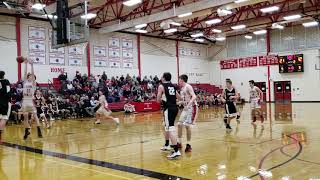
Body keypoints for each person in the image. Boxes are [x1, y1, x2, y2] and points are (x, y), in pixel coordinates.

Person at [157, 72, 181, 159]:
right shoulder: (173, 86)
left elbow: (158, 100)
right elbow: (179, 98)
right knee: (165, 126)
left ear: (163, 78)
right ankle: (167, 144)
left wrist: (162, 98)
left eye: (161, 76)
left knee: (170, 128)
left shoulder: (161, 86)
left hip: (168, 109)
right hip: (175, 108)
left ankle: (176, 150)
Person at [21, 58, 43, 139]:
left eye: (32, 76)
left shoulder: (33, 84)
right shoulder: (25, 82)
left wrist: (32, 65)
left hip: (30, 101)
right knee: (25, 117)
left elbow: (33, 73)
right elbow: (24, 73)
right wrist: (26, 64)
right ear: (28, 77)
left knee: (35, 116)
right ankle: (27, 131)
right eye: (29, 75)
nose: (30, 76)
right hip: (24, 102)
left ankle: (39, 130)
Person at [177, 74, 198, 152]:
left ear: (182, 80)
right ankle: (179, 142)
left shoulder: (188, 86)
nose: (178, 82)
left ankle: (189, 145)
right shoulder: (182, 89)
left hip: (192, 107)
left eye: (179, 80)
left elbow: (194, 96)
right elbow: (184, 100)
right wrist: (178, 103)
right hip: (186, 108)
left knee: (187, 125)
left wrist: (188, 105)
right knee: (179, 124)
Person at [0, 71, 11, 142]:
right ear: (3, 76)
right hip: (4, 102)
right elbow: (8, 91)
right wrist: (9, 99)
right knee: (4, 118)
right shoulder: (6, 81)